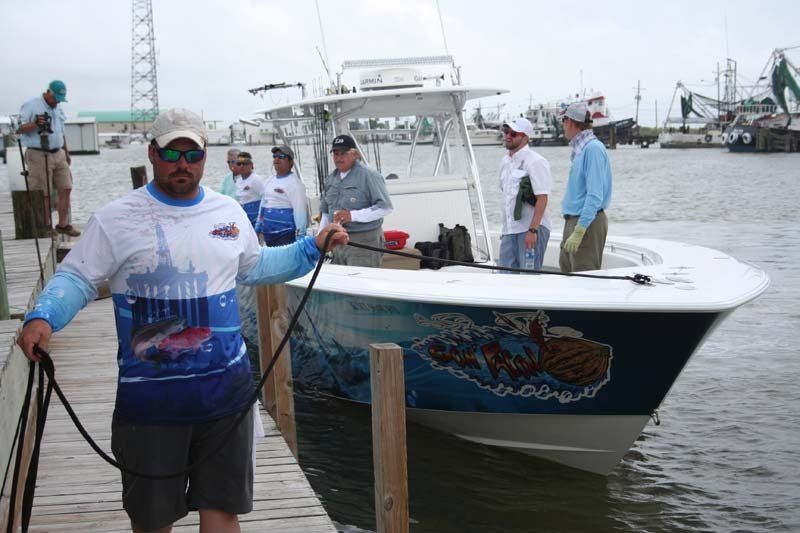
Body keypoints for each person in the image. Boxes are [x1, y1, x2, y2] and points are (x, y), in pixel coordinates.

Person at [16, 108, 348, 533]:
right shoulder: (115, 218)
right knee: (152, 522)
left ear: (205, 158)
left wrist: (311, 247)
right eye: (172, 152)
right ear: (153, 154)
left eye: (193, 154)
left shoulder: (227, 211)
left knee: (223, 513)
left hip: (226, 400)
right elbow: (78, 277)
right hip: (150, 408)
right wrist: (44, 317)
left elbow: (256, 265)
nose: (182, 163)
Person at [17, 80, 80, 237]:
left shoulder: (58, 107)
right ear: (48, 92)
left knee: (66, 187)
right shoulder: (31, 105)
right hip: (38, 153)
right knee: (42, 192)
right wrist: (35, 123)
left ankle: (63, 225)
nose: (57, 101)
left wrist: (66, 151)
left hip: (58, 152)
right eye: (56, 98)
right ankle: (45, 226)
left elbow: (61, 131)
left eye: (60, 98)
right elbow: (18, 128)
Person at [319, 134, 393, 267]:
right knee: (340, 285)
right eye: (336, 154)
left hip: (364, 242)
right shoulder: (330, 179)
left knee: (362, 283)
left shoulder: (369, 175)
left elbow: (385, 207)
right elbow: (325, 211)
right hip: (337, 242)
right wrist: (321, 238)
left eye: (343, 153)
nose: (339, 158)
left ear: (354, 154)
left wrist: (352, 216)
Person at [559, 102, 613, 273]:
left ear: (570, 122)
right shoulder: (581, 149)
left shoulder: (593, 149)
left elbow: (595, 196)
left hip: (586, 223)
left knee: (583, 281)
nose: (563, 126)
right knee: (567, 274)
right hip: (574, 221)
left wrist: (580, 230)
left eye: (563, 120)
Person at [497, 117, 552, 272]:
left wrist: (533, 231)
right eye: (506, 131)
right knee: (504, 277)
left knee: (529, 279)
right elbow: (506, 194)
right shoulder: (505, 162)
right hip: (509, 230)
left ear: (525, 138)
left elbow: (543, 198)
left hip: (530, 230)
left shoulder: (536, 161)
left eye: (513, 133)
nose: (508, 135)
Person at [255, 145, 308, 247]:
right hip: (268, 237)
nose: (276, 159)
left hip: (286, 237)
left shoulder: (296, 184)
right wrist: (257, 228)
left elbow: (300, 213)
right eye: (274, 156)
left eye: (281, 156)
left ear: (290, 162)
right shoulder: (269, 181)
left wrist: (300, 239)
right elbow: (262, 206)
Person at [233, 151, 265, 228]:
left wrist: (260, 221)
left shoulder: (256, 179)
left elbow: (266, 198)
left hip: (256, 220)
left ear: (251, 165)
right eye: (239, 164)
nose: (241, 166)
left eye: (245, 163)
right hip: (245, 219)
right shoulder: (238, 181)